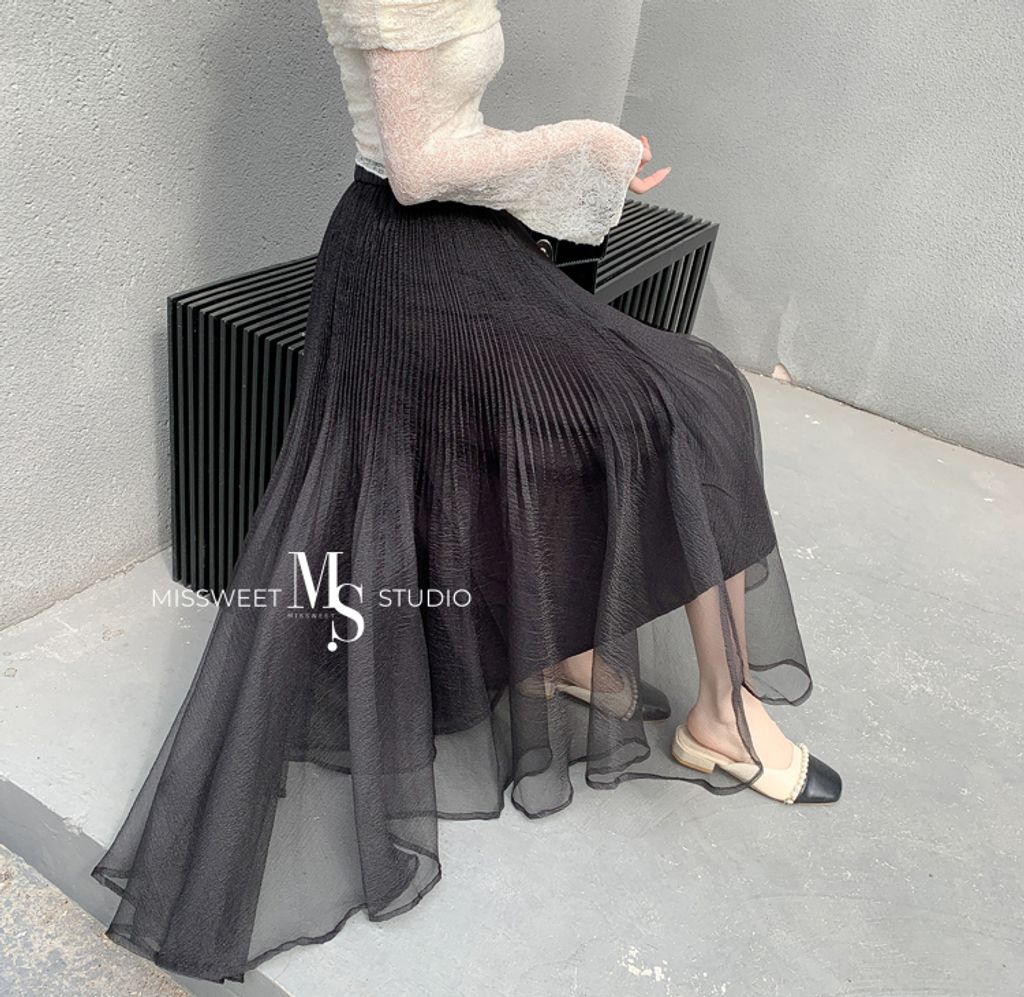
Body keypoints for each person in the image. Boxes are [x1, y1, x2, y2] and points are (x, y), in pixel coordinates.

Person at [91, 0, 841, 985]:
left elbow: (450, 137)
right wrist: (581, 142)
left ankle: (570, 653)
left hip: (465, 246)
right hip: (406, 269)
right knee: (690, 405)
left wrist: (569, 174)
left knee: (680, 400)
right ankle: (721, 718)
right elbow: (415, 164)